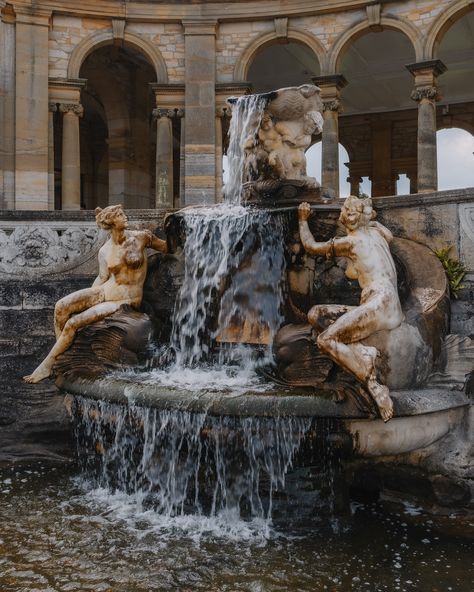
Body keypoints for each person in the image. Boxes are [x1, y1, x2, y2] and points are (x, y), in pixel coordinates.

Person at [23, 204, 168, 383]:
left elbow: (166, 247)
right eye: (120, 214)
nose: (125, 216)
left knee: (73, 323)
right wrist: (90, 300)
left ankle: (47, 365)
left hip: (125, 300)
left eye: (123, 213)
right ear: (110, 221)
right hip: (105, 291)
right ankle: (63, 354)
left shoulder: (141, 237)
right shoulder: (104, 250)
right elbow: (102, 278)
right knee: (61, 307)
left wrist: (178, 232)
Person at [298, 196, 404, 421]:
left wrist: (302, 219)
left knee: (325, 340)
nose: (340, 215)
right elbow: (390, 235)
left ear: (347, 217)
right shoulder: (377, 233)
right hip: (384, 302)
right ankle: (360, 351)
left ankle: (374, 384)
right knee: (316, 314)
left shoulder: (351, 242)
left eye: (344, 211)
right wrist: (372, 222)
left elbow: (311, 247)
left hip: (380, 302)